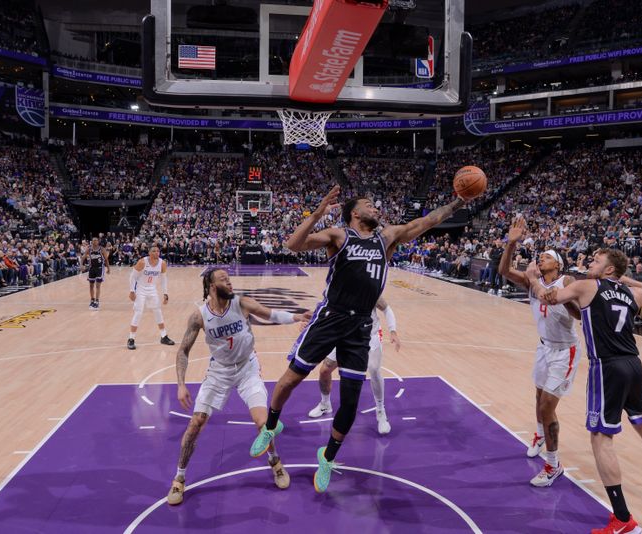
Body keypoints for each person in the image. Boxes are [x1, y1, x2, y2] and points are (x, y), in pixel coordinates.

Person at [250, 185, 466, 493]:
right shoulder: (339, 236)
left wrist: (459, 201)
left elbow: (427, 221)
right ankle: (271, 426)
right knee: (289, 380)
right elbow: (293, 244)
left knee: (350, 403)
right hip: (330, 317)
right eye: (369, 205)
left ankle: (327, 456)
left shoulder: (386, 237)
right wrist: (318, 213)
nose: (376, 208)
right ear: (355, 212)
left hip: (361, 325)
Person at [527, 249, 642, 533]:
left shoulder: (587, 286)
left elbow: (550, 297)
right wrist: (626, 281)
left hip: (606, 368)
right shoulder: (629, 294)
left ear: (608, 270)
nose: (589, 263)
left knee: (600, 438)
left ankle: (622, 519)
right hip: (634, 365)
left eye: (596, 261)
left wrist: (534, 279)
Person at [166, 268, 312, 505]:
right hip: (218, 372)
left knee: (263, 424)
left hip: (247, 368)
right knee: (196, 424)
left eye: (229, 279)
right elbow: (183, 350)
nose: (229, 283)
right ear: (212, 286)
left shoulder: (241, 303)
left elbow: (271, 314)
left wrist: (296, 317)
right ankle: (179, 478)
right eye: (224, 280)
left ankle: (275, 462)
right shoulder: (199, 316)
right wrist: (181, 384)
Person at [498, 217, 581, 487]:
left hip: (564, 350)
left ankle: (553, 465)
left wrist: (540, 284)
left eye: (546, 257)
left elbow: (573, 311)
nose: (540, 258)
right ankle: (539, 434)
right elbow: (504, 270)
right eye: (540, 256)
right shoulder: (531, 280)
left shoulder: (566, 280)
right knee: (538, 395)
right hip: (543, 346)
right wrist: (511, 243)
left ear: (557, 264)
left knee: (547, 405)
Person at [306, 296, 401, 435]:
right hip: (345, 335)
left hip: (370, 335)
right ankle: (325, 404)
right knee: (325, 370)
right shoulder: (340, 290)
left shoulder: (369, 289)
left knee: (374, 369)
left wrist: (393, 330)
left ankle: (381, 412)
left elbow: (387, 308)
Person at [127, 245, 175, 349]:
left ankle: (163, 336)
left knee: (158, 311)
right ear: (149, 253)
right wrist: (132, 291)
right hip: (141, 289)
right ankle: (131, 338)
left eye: (158, 251)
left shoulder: (162, 263)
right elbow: (133, 276)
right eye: (154, 251)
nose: (157, 253)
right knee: (138, 312)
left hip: (152, 289)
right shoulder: (143, 262)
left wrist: (165, 293)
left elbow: (163, 279)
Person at [86, 237, 110, 309]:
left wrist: (108, 268)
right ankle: (92, 300)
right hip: (92, 268)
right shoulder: (89, 249)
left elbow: (106, 259)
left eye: (96, 240)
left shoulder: (102, 249)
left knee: (98, 285)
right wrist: (81, 264)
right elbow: (84, 256)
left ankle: (97, 301)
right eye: (93, 240)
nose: (94, 241)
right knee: (91, 285)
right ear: (92, 242)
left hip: (99, 268)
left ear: (98, 241)